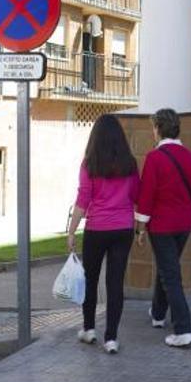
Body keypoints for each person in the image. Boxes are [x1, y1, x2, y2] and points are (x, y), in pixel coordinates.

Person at [135, 108, 191, 348]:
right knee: (167, 267)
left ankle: (183, 329)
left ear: (159, 129)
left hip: (161, 226)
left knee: (170, 275)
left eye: (153, 127)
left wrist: (140, 228)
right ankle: (158, 314)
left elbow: (146, 196)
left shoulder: (154, 158)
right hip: (184, 225)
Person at [67, 114, 140, 354]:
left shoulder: (90, 164)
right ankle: (111, 338)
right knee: (115, 282)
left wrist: (71, 231)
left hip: (96, 229)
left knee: (90, 279)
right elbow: (136, 196)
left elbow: (82, 199)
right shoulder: (129, 163)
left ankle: (89, 329)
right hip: (123, 229)